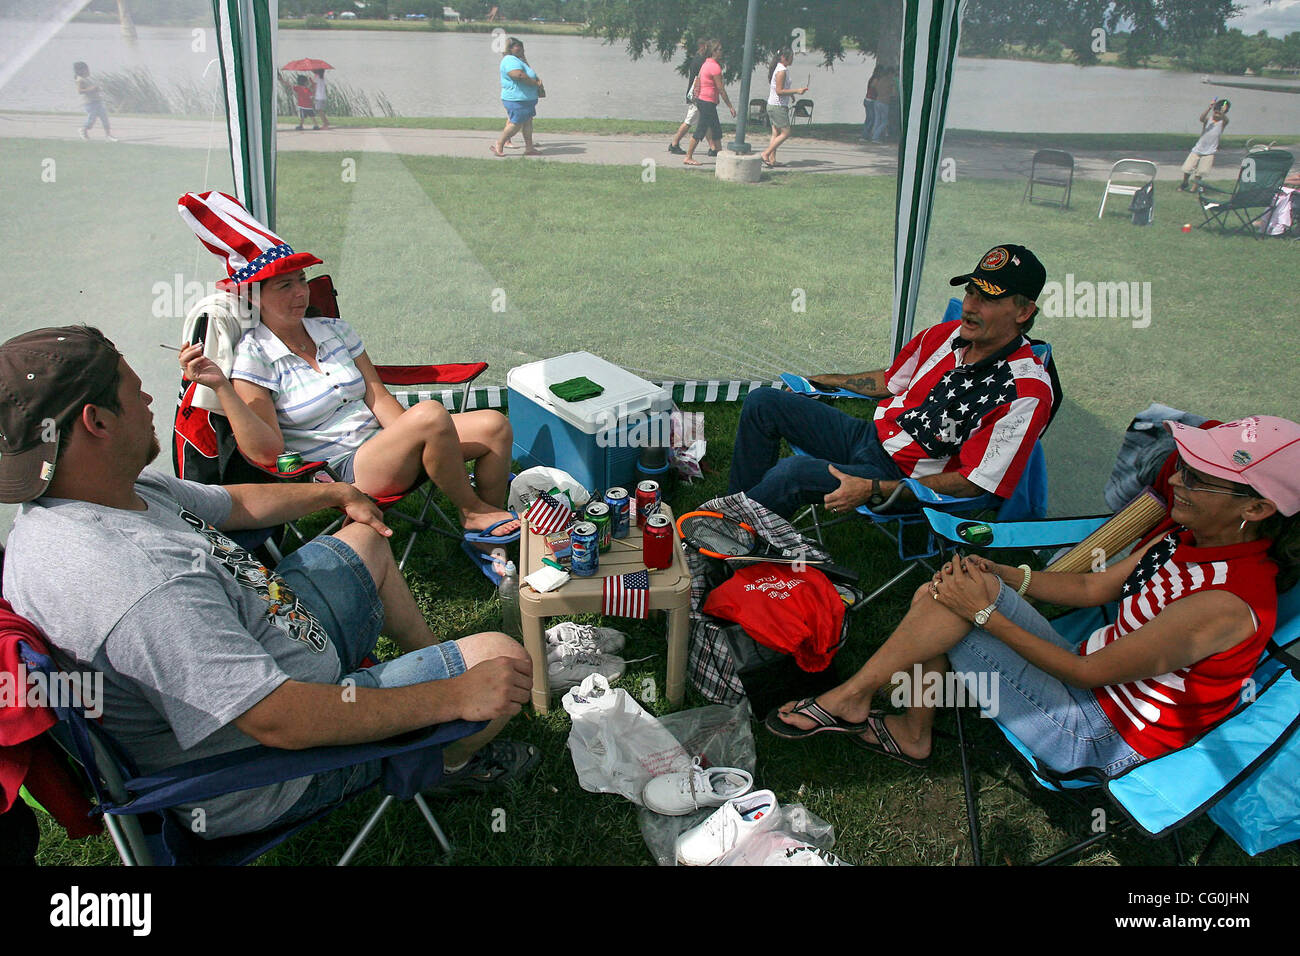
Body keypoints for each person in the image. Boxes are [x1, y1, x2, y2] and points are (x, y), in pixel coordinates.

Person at [0, 326, 538, 840]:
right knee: (502, 658)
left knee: (367, 540)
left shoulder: (89, 498)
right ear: (96, 421)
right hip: (266, 769)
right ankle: (445, 758)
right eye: (136, 393)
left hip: (274, 644)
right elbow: (279, 721)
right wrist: (452, 696)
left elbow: (234, 503)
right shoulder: (138, 583)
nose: (149, 404)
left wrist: (332, 495)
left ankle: (431, 660)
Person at [767, 416, 1300, 779]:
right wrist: (1002, 572)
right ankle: (889, 717)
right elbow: (1094, 585)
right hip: (1086, 682)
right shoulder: (1188, 535)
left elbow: (1088, 676)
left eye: (1202, 480)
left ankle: (863, 705)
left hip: (1096, 736)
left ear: (1256, 510)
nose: (1177, 481)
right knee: (956, 585)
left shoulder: (1227, 603)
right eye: (1184, 466)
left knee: (956, 600)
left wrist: (983, 610)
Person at [175, 190, 519, 551]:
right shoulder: (254, 356)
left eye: (302, 280)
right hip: (338, 466)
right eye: (284, 285)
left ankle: (484, 544)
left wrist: (414, 438)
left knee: (493, 425)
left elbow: (378, 396)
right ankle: (471, 508)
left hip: (383, 444)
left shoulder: (334, 331)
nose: (300, 294)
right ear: (252, 296)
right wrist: (223, 388)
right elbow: (266, 451)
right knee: (431, 415)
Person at [728, 244, 1054, 519]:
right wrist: (830, 379)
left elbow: (974, 484)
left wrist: (872, 488)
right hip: (871, 437)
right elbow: (890, 381)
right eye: (970, 292)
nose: (970, 307)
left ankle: (725, 538)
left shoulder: (1026, 391)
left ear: (1024, 312)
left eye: (989, 298)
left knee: (793, 472)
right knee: (764, 403)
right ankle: (736, 517)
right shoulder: (948, 335)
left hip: (903, 480)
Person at [683, 39, 736, 167]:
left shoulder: (706, 63)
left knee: (716, 129)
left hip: (705, 101)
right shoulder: (715, 67)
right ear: (714, 51)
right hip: (707, 102)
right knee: (701, 130)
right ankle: (688, 157)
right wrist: (730, 106)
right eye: (719, 50)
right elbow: (721, 89)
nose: (722, 52)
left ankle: (720, 155)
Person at [491, 37, 543, 157]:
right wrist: (534, 83)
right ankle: (499, 144)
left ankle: (529, 148)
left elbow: (527, 72)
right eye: (517, 46)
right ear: (509, 48)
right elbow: (518, 75)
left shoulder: (518, 59)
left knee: (528, 123)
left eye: (521, 46)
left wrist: (523, 57)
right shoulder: (509, 60)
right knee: (516, 124)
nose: (520, 48)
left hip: (526, 99)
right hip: (516, 98)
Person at [760, 48, 808, 168]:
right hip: (778, 106)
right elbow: (779, 91)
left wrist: (790, 94)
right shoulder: (782, 71)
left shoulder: (779, 69)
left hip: (772, 104)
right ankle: (765, 154)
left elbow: (780, 87)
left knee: (775, 133)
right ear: (783, 58)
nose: (792, 59)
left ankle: (772, 160)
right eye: (791, 56)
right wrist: (797, 91)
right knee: (786, 132)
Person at [1180, 98, 1229, 192]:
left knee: (1201, 171)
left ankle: (1194, 188)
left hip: (1210, 151)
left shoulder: (1223, 122)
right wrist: (1209, 107)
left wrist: (1222, 113)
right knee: (1187, 168)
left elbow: (1226, 119)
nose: (1217, 114)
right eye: (1215, 112)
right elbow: (1201, 118)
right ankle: (1185, 182)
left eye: (1219, 113)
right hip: (1198, 149)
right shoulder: (1208, 120)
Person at [668, 40, 708, 156]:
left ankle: (714, 147)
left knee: (707, 121)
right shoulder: (701, 60)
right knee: (689, 120)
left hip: (697, 94)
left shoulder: (698, 58)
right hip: (697, 95)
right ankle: (674, 143)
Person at [73, 61, 116, 142]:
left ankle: (108, 135)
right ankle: (83, 130)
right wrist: (91, 89)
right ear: (80, 70)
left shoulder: (86, 79)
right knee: (91, 120)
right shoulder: (80, 80)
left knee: (104, 118)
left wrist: (97, 89)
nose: (88, 71)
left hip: (98, 101)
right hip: (90, 103)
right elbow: (80, 91)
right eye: (86, 69)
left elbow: (92, 88)